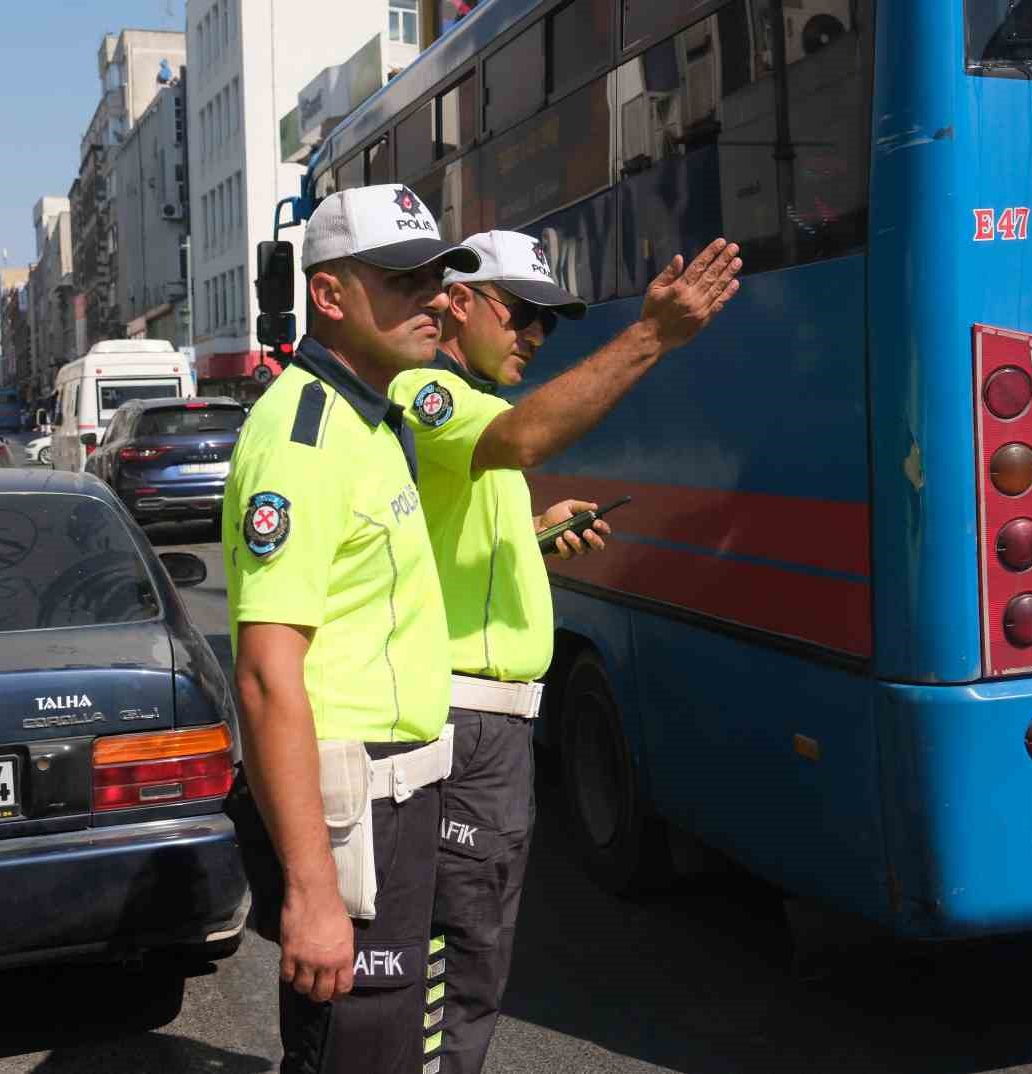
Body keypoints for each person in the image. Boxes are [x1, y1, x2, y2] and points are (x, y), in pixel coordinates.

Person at [387, 230, 742, 1073]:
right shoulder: (431, 391)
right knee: (454, 965)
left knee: (474, 958)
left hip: (489, 724)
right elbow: (522, 441)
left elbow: (451, 538)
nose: (535, 337)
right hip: (462, 719)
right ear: (459, 300)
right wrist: (651, 335)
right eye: (521, 315)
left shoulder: (472, 407)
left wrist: (536, 533)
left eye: (549, 323)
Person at [222, 184, 481, 1074]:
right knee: (352, 1050)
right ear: (329, 296)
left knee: (391, 1043)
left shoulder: (375, 416)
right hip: (351, 807)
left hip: (399, 795)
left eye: (440, 278)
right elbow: (264, 676)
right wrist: (310, 892)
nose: (437, 299)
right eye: (406, 279)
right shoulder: (300, 439)